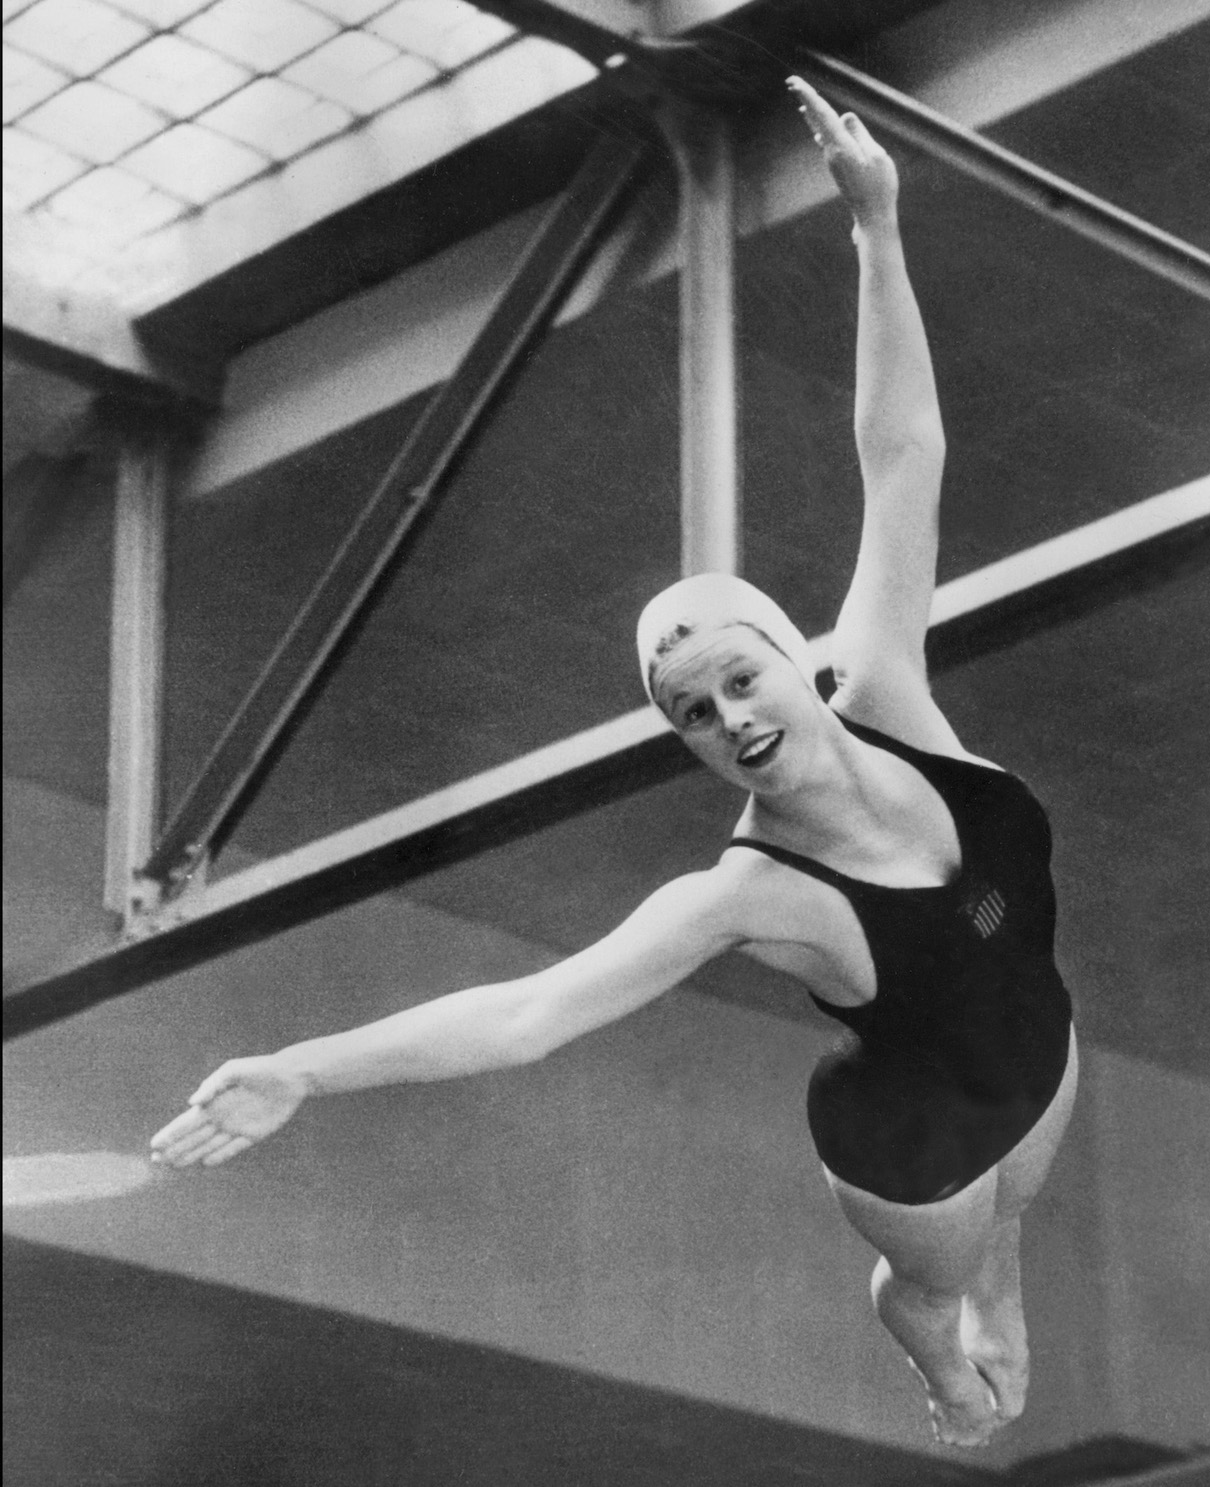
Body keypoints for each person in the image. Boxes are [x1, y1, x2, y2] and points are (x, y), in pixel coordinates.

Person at [151, 78, 1077, 1449]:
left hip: (1037, 1048)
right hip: (907, 1134)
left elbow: (903, 454)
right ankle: (939, 1349)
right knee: (941, 1286)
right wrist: (303, 1067)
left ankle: (993, 1279)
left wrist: (877, 224)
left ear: (789, 653)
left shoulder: (882, 676)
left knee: (1017, 1215)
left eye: (741, 679)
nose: (733, 721)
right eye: (694, 716)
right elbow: (529, 1014)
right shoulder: (743, 896)